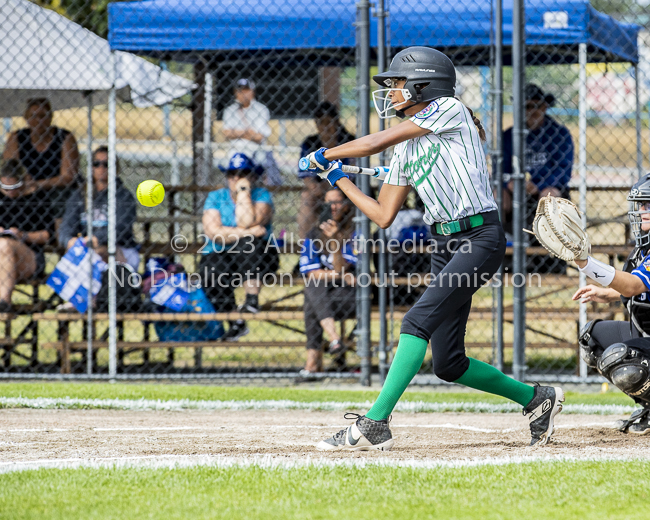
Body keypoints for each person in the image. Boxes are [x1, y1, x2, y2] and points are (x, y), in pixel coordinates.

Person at [301, 46, 564, 451]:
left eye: (397, 84)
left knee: (415, 322)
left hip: (479, 238)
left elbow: (377, 140)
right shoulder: (406, 148)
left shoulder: (448, 108)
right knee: (448, 363)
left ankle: (375, 423)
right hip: (445, 243)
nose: (390, 93)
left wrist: (326, 152)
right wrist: (340, 179)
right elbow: (384, 213)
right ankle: (537, 400)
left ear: (426, 84)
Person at [572, 173, 650, 435]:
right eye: (640, 205)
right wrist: (608, 293)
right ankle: (647, 408)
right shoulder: (642, 250)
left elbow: (634, 286)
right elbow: (638, 289)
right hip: (646, 332)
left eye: (648, 205)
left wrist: (586, 264)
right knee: (591, 337)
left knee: (623, 359)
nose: (641, 211)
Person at [200, 153, 278, 341]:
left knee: (248, 244)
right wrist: (248, 231)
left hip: (259, 257)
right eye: (232, 174)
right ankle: (236, 322)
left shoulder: (261, 195)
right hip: (221, 253)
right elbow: (214, 233)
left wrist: (243, 192)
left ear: (252, 177)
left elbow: (247, 220)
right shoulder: (215, 197)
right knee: (211, 269)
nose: (236, 178)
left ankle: (251, 300)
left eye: (242, 173)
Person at [502, 84, 574, 273]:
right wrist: (507, 183)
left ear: (544, 108)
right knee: (497, 195)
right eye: (526, 107)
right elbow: (501, 169)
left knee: (550, 196)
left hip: (546, 187)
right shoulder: (509, 136)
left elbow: (563, 169)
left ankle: (552, 260)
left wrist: (540, 185)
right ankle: (504, 257)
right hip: (518, 188)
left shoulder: (559, 134)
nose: (532, 111)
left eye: (537, 106)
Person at [297, 187, 357, 381]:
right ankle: (334, 340)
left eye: (337, 202)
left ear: (346, 207)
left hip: (350, 297)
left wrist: (334, 241)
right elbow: (312, 272)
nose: (332, 207)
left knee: (312, 295)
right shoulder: (313, 235)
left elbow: (344, 270)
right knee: (313, 288)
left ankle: (312, 363)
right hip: (325, 296)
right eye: (328, 203)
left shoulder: (354, 233)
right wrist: (338, 275)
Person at [58, 146, 139, 271]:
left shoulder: (123, 196)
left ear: (115, 168)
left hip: (121, 250)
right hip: (87, 248)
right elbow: (66, 225)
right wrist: (69, 240)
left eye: (106, 164)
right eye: (96, 164)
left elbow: (121, 227)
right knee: (76, 252)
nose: (101, 168)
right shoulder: (80, 195)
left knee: (100, 252)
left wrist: (96, 239)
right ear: (91, 168)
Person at [2, 98, 79, 216]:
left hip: (55, 188)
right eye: (33, 115)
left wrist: (37, 184)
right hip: (24, 185)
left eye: (43, 115)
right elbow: (10, 168)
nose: (38, 120)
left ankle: (57, 232)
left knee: (59, 199)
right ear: (26, 117)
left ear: (51, 117)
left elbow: (68, 176)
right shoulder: (16, 137)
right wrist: (24, 182)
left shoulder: (64, 137)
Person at [0, 159, 57, 312]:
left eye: (14, 187)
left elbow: (48, 235)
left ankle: (4, 302)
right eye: (5, 188)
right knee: (3, 246)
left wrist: (24, 235)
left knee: (5, 245)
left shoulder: (37, 198)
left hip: (30, 255)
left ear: (24, 181)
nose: (10, 192)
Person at [298, 102, 355, 239]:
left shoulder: (348, 141)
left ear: (336, 122)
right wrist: (322, 189)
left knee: (343, 198)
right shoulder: (310, 143)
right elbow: (307, 178)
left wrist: (333, 189)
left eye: (329, 122)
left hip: (345, 189)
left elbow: (351, 175)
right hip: (320, 190)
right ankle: (306, 245)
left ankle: (347, 243)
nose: (325, 127)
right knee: (307, 196)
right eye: (321, 123)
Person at [222, 79, 280, 185]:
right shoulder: (230, 110)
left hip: (256, 155)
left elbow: (259, 136)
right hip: (236, 154)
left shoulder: (261, 110)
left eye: (246, 90)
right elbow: (226, 133)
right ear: (235, 92)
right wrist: (247, 133)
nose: (243, 94)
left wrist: (237, 133)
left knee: (258, 185)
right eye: (240, 91)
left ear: (253, 91)